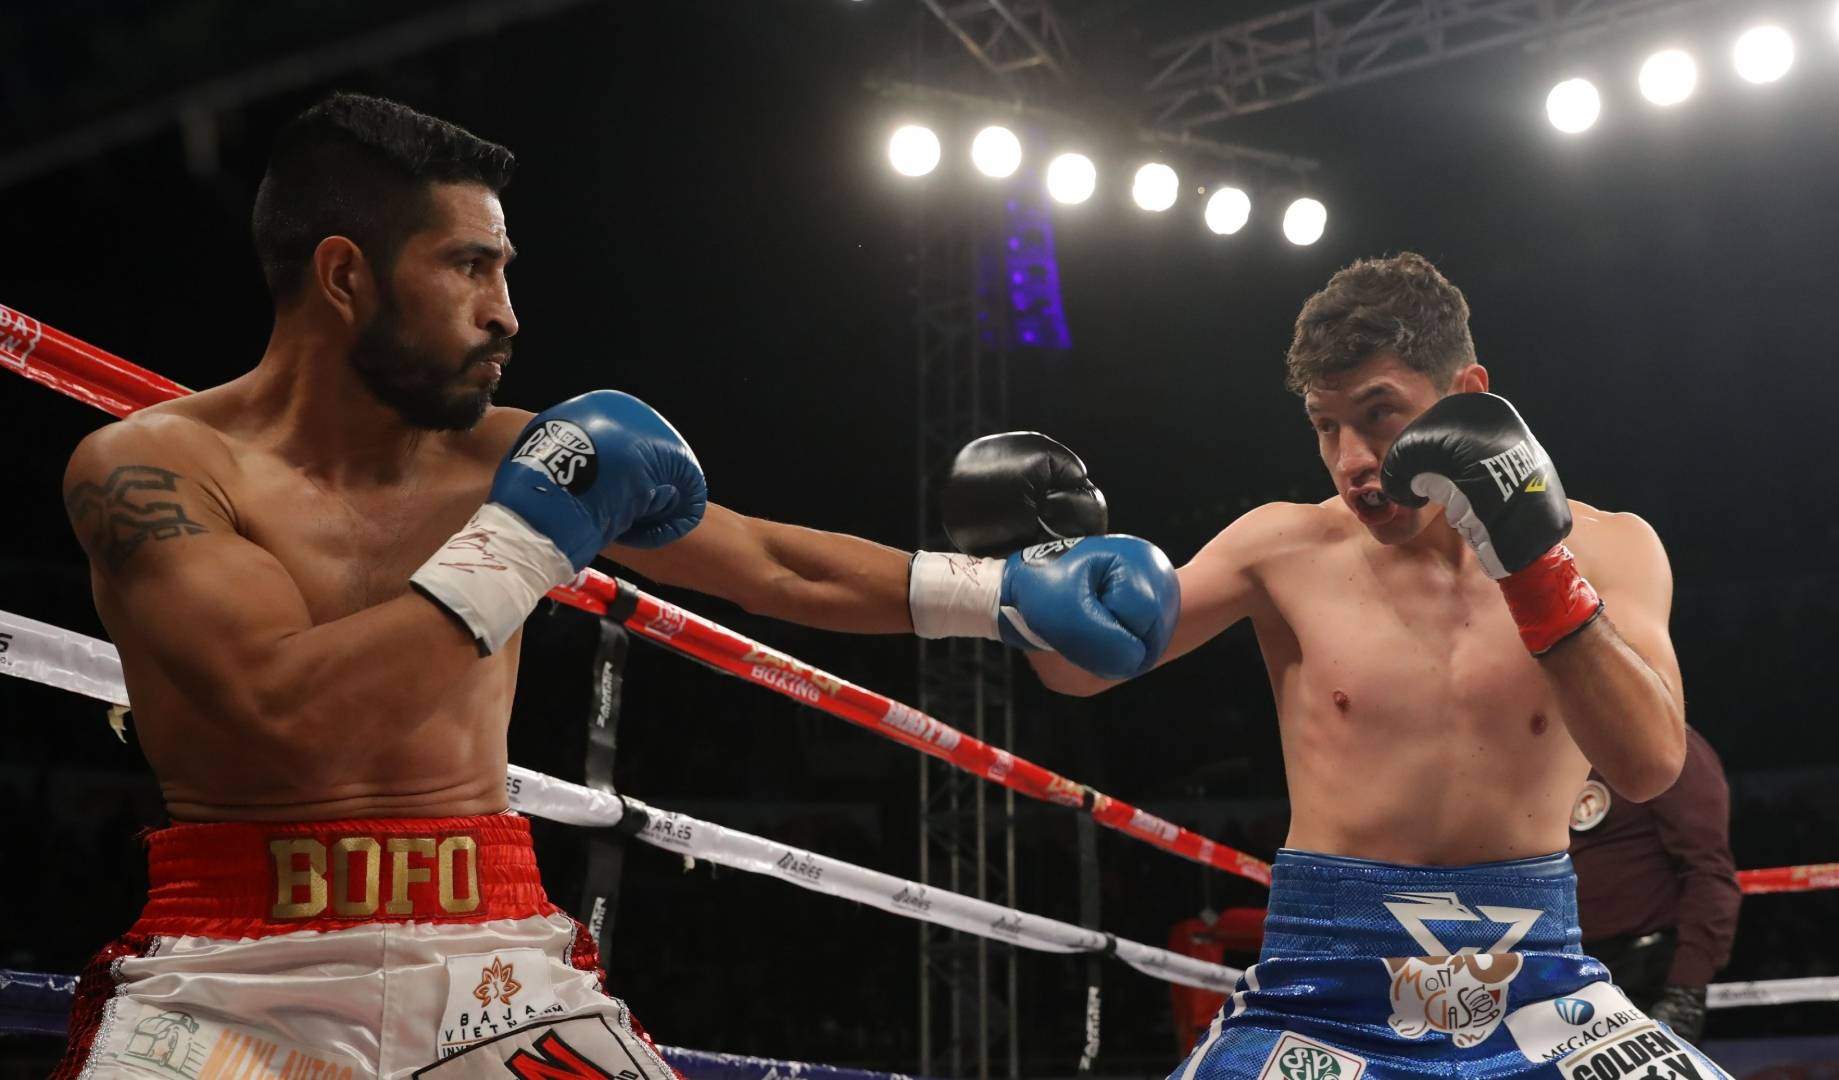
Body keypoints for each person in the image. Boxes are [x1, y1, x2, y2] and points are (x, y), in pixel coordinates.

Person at [54, 92, 1179, 1077]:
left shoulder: (505, 454)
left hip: (490, 959)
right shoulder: (151, 471)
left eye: (505, 270)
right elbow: (284, 714)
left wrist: (1002, 593)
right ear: (345, 275)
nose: (506, 311)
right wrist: (526, 541)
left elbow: (767, 562)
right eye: (469, 266)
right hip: (235, 969)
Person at [1018, 253, 1732, 1078]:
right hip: (1319, 989)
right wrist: (1034, 571)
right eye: (1326, 426)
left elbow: (1651, 765)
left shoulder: (1612, 548)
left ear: (1467, 396)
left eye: (1379, 414)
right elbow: (1081, 671)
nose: (1353, 459)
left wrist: (1536, 568)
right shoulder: (1282, 546)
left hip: (1540, 982)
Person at [1569, 725, 1741, 1044]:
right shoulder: (1562, 751)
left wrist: (1685, 991)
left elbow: (1708, 873)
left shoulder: (1666, 745)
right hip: (1567, 971)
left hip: (1642, 971)